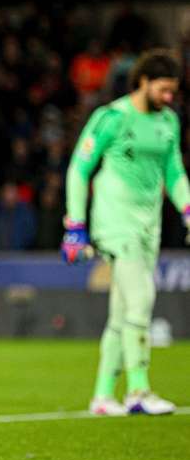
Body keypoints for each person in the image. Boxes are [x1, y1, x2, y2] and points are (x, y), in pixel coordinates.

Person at [62, 49, 186, 416]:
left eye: (173, 92)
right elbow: (79, 169)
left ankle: (102, 396)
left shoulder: (169, 121)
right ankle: (138, 390)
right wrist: (75, 225)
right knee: (142, 298)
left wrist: (189, 210)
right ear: (143, 82)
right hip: (115, 220)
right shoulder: (112, 117)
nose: (168, 98)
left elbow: (175, 172)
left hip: (150, 223)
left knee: (121, 313)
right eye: (163, 90)